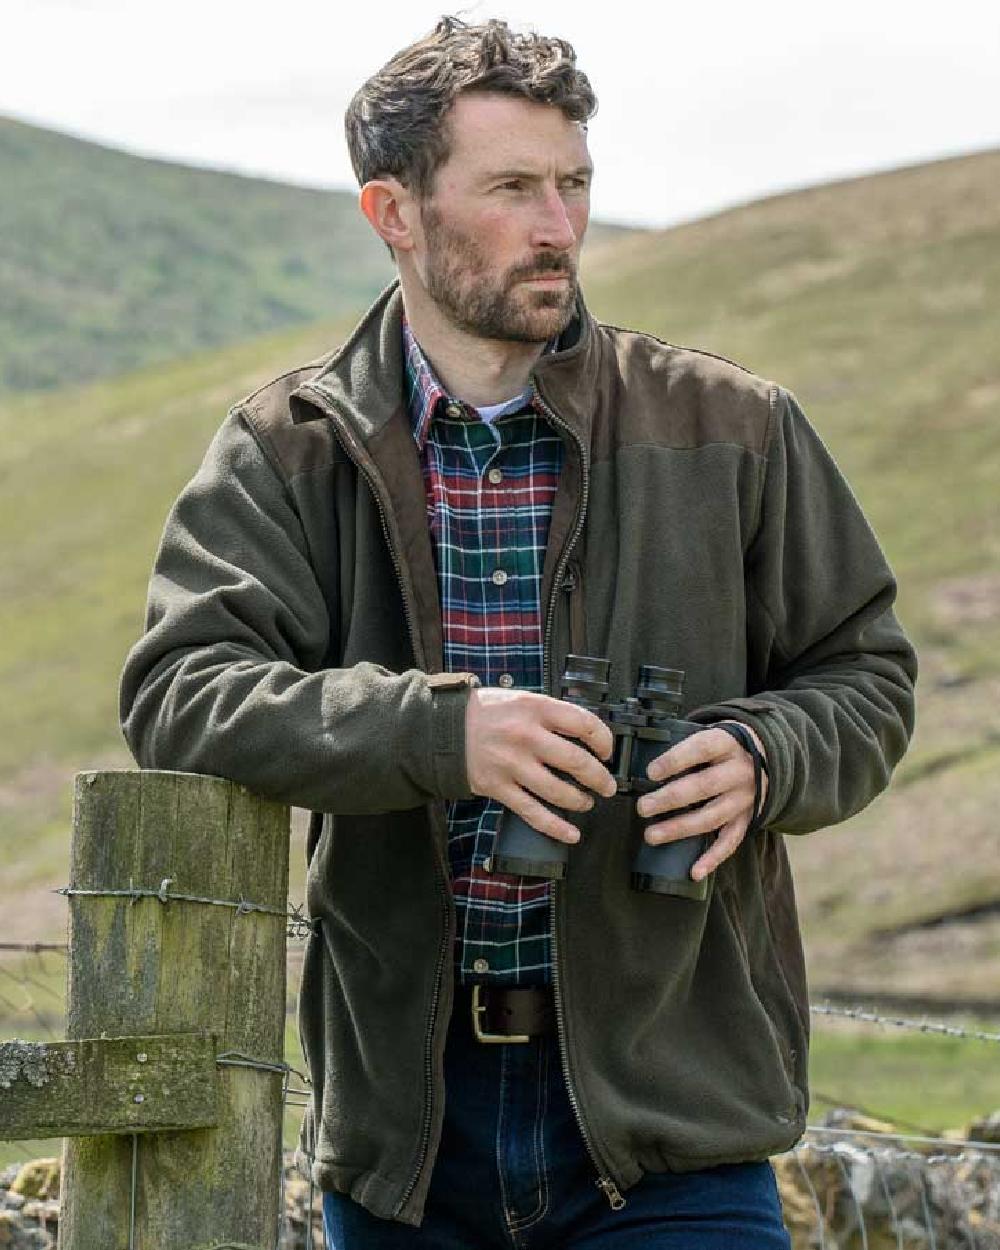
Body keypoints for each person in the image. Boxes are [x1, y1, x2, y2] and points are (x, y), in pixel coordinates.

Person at [119, 15, 917, 1248]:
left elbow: (865, 673)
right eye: (512, 189)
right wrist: (440, 732)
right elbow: (182, 688)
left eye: (574, 183)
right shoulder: (291, 446)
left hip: (677, 1119)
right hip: (408, 1132)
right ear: (394, 212)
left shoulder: (733, 427)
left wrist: (768, 757)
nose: (559, 226)